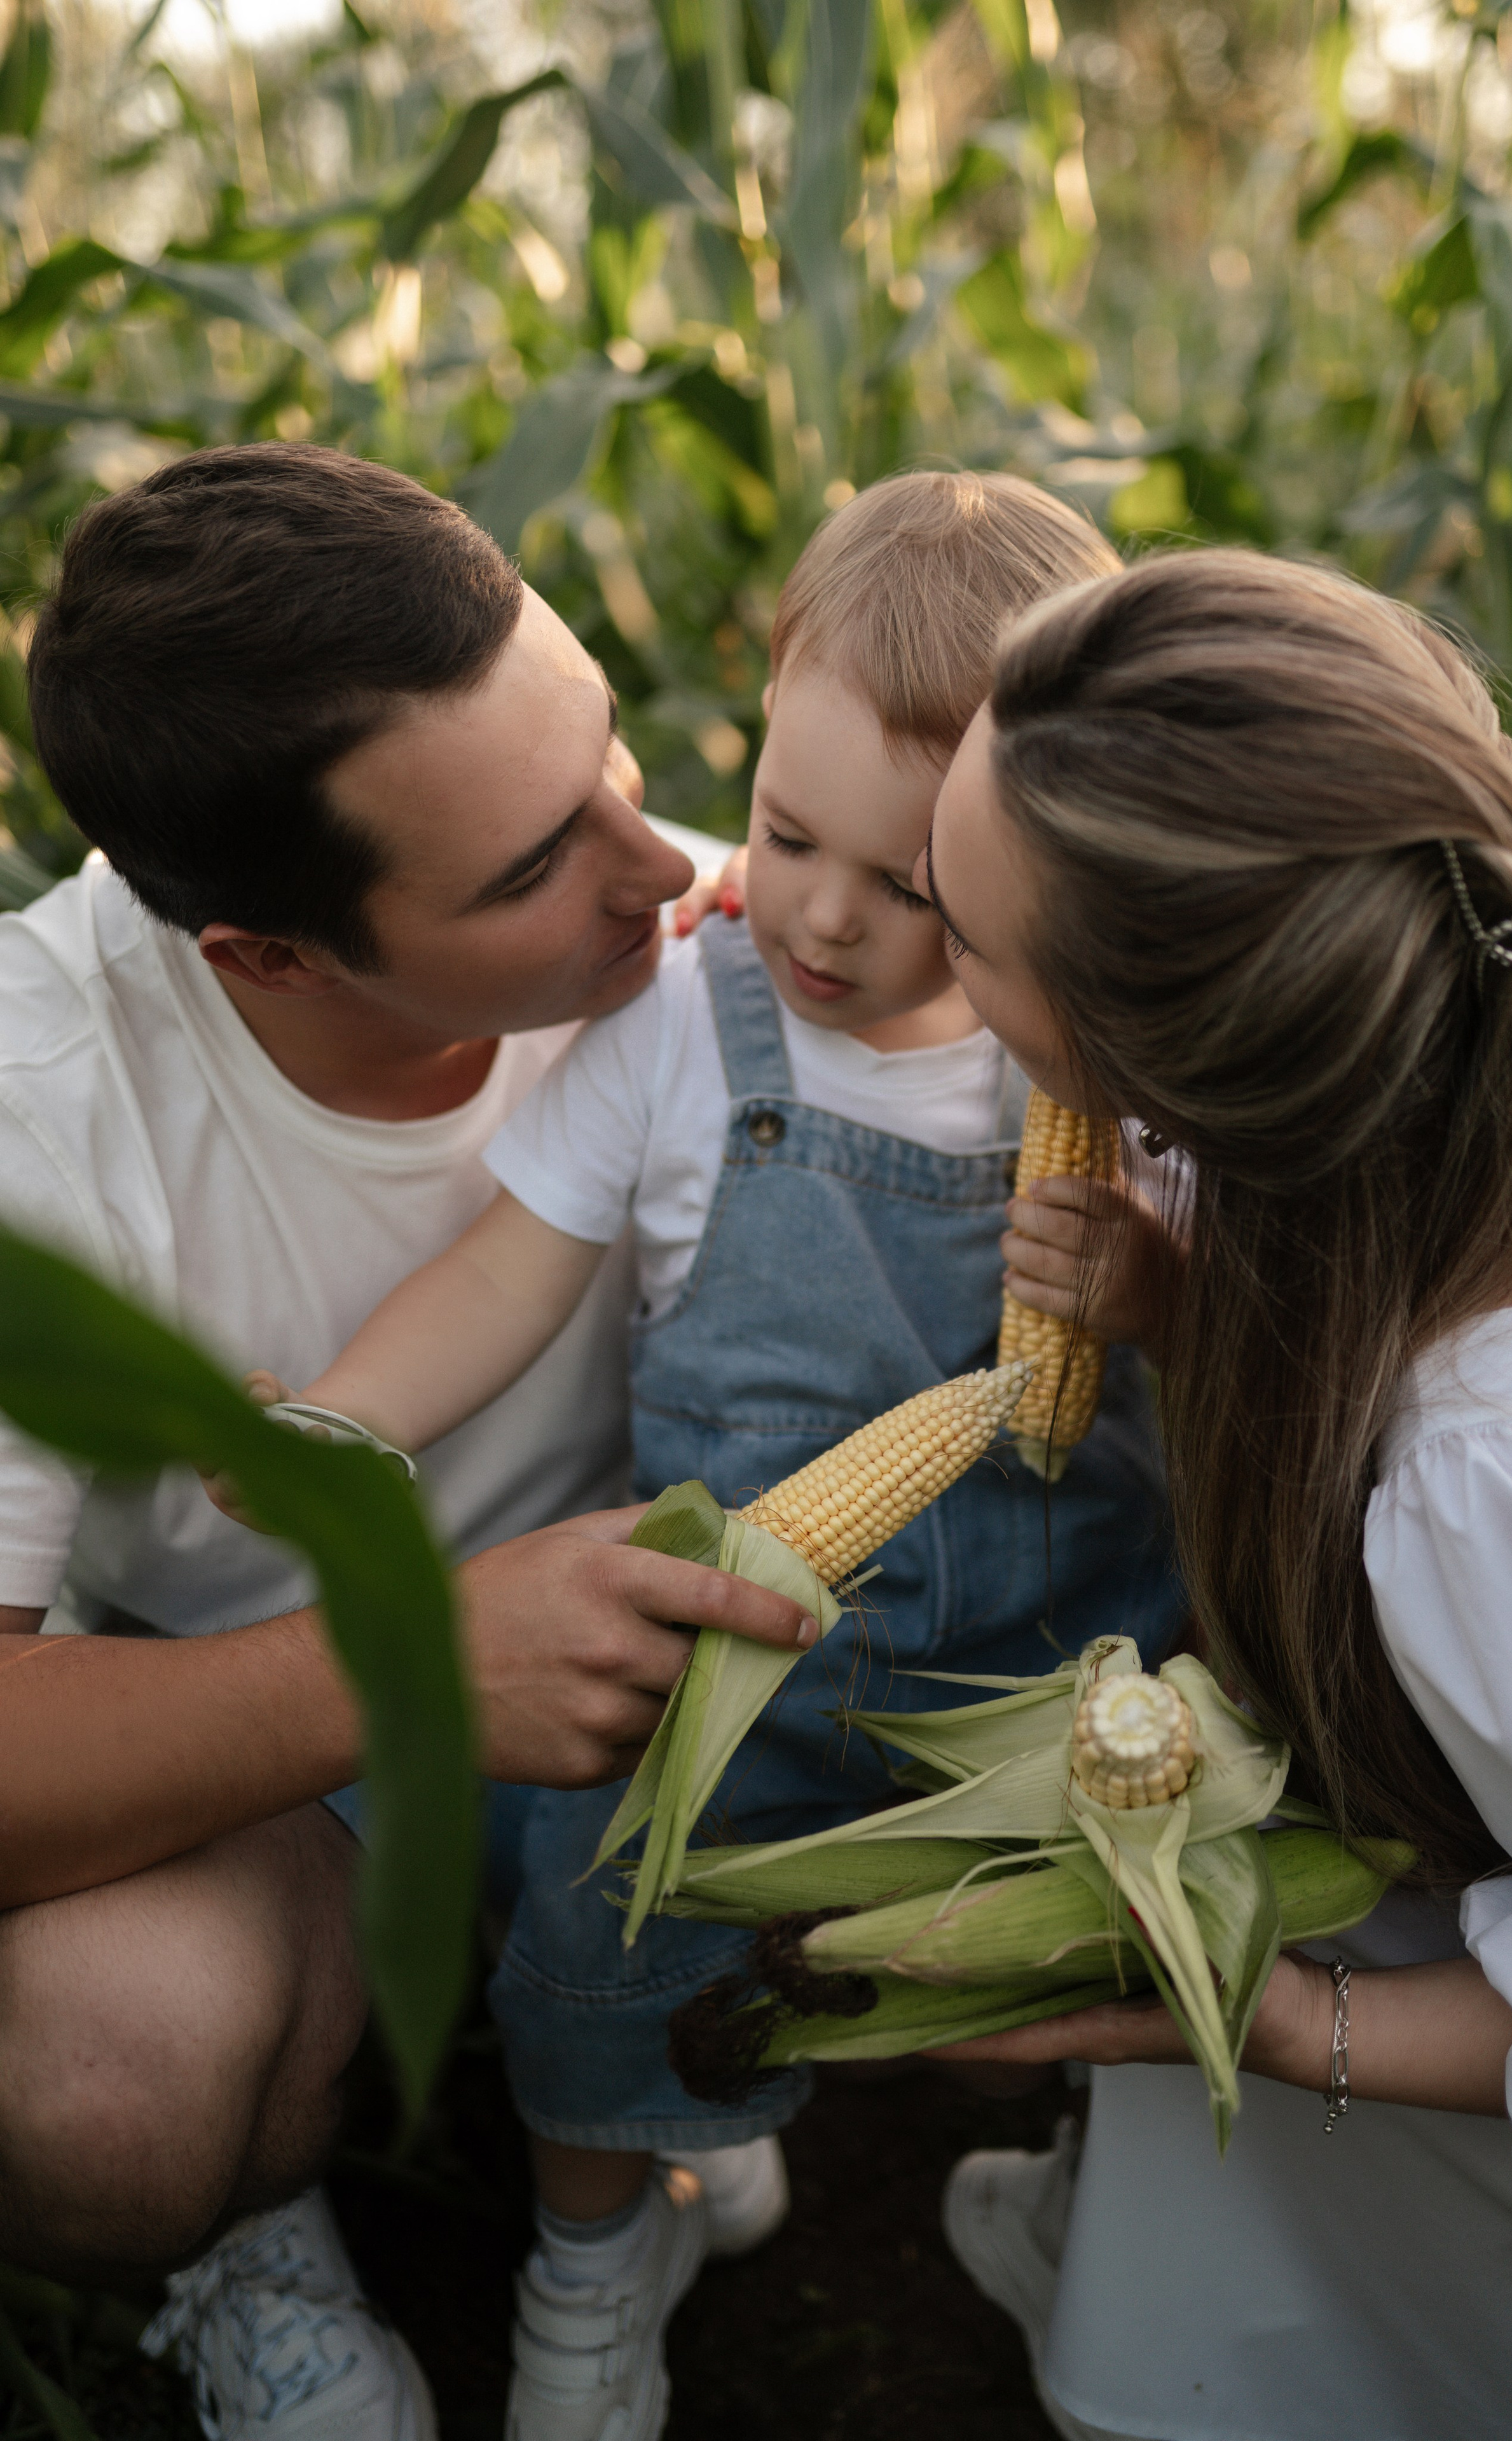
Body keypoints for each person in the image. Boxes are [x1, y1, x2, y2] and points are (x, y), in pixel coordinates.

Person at [224, 471, 1187, 2441]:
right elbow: (510, 1270)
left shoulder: (1109, 1064)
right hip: (732, 1653)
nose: (822, 914)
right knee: (614, 1939)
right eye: (785, 831)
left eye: (915, 885)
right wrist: (348, 1416)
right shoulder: (685, 1018)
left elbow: (1260, 1353)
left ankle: (1084, 2212)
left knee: (1071, 1992)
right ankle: (597, 2257)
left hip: (1042, 1677)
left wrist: (1153, 1294)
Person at [0, 443, 817, 2441]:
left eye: (608, 753)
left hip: (656, 1686)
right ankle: (252, 2229)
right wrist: (416, 1665)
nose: (656, 868)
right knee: (106, 2101)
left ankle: (617, 2084)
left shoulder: (728, 939)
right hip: (259, 1744)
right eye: (531, 868)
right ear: (265, 956)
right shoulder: (38, 1108)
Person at [908, 549, 1512, 2440]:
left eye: (952, 930)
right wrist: (1182, 1313)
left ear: (1161, 1069)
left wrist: (1275, 2021)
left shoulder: (1500, 1504)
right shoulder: (1495, 1065)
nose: (915, 935)